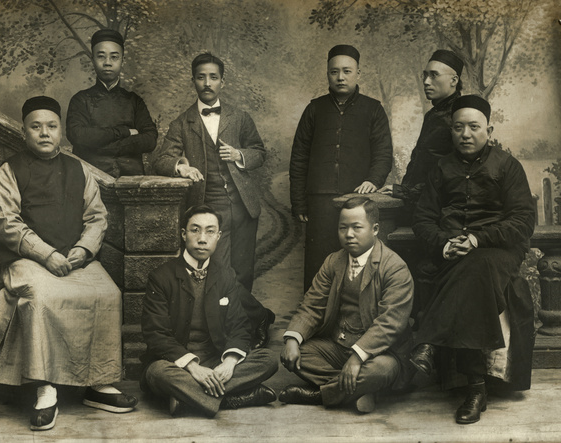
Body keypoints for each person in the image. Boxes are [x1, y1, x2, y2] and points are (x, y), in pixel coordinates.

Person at [0, 96, 137, 431]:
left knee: (107, 294)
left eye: (51, 126)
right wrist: (46, 254)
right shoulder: (9, 171)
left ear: (61, 132)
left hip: (73, 257)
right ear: (24, 131)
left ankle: (98, 384)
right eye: (36, 127)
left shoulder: (78, 169)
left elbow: (97, 217)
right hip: (26, 258)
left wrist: (84, 251)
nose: (44, 133)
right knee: (42, 298)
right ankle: (45, 389)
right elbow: (7, 223)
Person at [410, 95, 536, 424]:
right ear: (451, 131)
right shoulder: (441, 168)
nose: (465, 134)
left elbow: (523, 220)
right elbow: (422, 219)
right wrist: (444, 243)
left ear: (489, 130)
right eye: (458, 127)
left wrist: (478, 238)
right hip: (454, 250)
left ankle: (428, 343)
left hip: (498, 251)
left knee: (477, 265)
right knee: (470, 269)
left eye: (474, 127)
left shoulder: (507, 166)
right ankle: (476, 390)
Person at [152, 52, 274, 347]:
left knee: (242, 273)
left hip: (243, 207)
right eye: (201, 77)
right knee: (218, 274)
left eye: (213, 77)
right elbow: (160, 158)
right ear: (193, 80)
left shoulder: (240, 117)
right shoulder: (183, 122)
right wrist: (180, 166)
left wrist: (240, 155)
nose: (207, 83)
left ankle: (240, 330)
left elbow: (259, 152)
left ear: (223, 81)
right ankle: (261, 317)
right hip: (209, 210)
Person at [141, 204, 278, 417]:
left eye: (210, 231)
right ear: (183, 234)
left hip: (215, 361)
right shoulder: (161, 277)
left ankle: (188, 398)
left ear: (219, 237)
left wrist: (229, 363)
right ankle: (231, 398)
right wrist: (193, 368)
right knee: (157, 373)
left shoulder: (225, 276)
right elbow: (155, 334)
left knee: (268, 359)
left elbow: (240, 327)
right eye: (195, 230)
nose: (202, 238)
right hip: (176, 365)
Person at [279, 196, 414, 414]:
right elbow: (313, 305)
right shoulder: (334, 261)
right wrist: (293, 338)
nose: (348, 234)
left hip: (380, 353)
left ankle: (320, 395)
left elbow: (390, 324)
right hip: (337, 347)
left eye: (356, 227)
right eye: (343, 228)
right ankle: (361, 389)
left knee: (382, 370)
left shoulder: (394, 268)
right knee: (295, 354)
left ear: (375, 228)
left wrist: (358, 357)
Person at [289, 44, 393, 292]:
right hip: (320, 202)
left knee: (355, 258)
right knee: (319, 261)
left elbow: (383, 153)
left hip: (357, 199)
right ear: (327, 74)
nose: (340, 77)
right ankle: (314, 321)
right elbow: (299, 157)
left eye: (347, 71)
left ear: (359, 74)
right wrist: (299, 202)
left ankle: (352, 319)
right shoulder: (314, 109)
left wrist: (373, 180)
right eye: (334, 72)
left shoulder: (373, 109)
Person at [379, 49, 464, 220]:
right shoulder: (434, 114)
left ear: (454, 80)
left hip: (439, 211)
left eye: (434, 75)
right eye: (425, 75)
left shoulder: (459, 117)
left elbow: (454, 176)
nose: (426, 81)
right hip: (417, 203)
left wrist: (404, 192)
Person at [67, 29, 158, 177]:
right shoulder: (80, 100)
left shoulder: (134, 101)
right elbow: (78, 136)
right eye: (101, 57)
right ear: (92, 59)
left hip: (131, 181)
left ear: (122, 60)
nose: (107, 63)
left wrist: (97, 145)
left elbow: (150, 139)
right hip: (91, 181)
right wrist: (125, 132)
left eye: (114, 57)